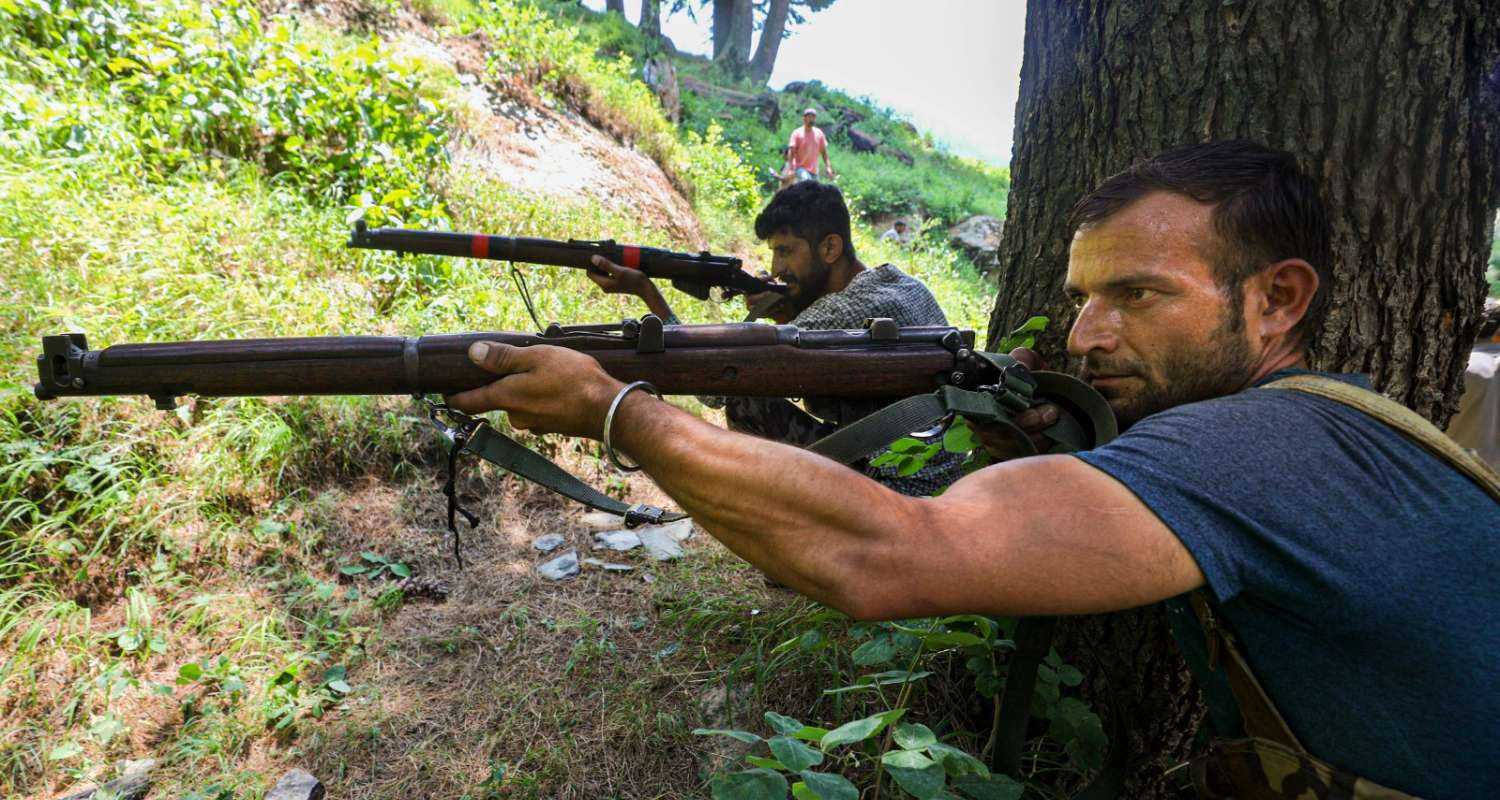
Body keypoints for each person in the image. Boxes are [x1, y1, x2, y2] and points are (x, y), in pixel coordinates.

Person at [447, 140, 1500, 797]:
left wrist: (614, 410)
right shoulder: (1312, 431)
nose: (1086, 335)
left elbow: (888, 557)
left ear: (1276, 300)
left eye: (1136, 295)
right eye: (1084, 295)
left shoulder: (1257, 446)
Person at [585, 180, 962, 496]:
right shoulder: (902, 284)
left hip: (897, 491)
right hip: (945, 478)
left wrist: (647, 293)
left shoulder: (840, 312)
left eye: (787, 251)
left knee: (746, 405)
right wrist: (784, 312)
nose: (778, 268)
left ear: (829, 248)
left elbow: (714, 386)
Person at [787, 108, 835, 181]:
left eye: (813, 117)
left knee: (815, 190)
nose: (811, 119)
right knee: (806, 180)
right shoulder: (797, 133)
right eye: (809, 117)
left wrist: (828, 167)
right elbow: (791, 151)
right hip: (800, 167)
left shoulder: (819, 133)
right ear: (804, 118)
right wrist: (790, 168)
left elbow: (824, 153)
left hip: (814, 170)